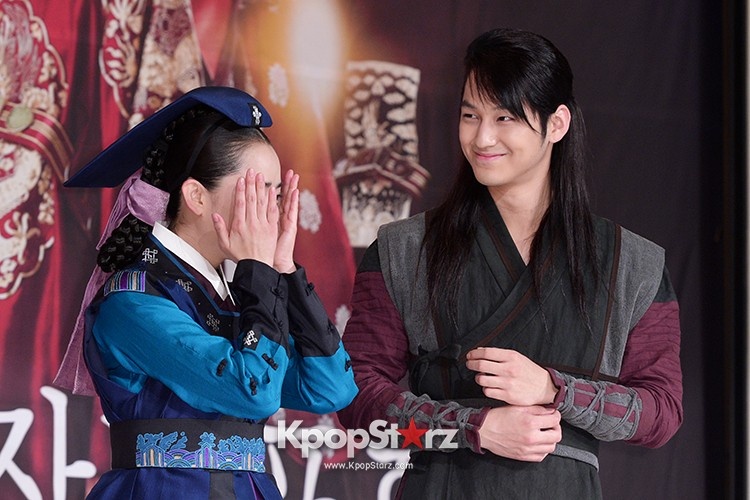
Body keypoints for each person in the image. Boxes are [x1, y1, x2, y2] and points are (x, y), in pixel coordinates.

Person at [337, 27, 682, 499]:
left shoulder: (631, 264)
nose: (482, 137)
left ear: (556, 124)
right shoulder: (406, 249)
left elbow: (661, 411)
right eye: (470, 115)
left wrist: (555, 390)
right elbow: (353, 392)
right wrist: (470, 427)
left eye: (504, 117)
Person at [56, 86, 358, 499]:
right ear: (197, 196)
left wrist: (284, 270)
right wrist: (259, 274)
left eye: (276, 194)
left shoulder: (234, 294)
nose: (271, 210)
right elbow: (253, 393)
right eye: (257, 191)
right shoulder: (133, 301)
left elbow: (331, 389)